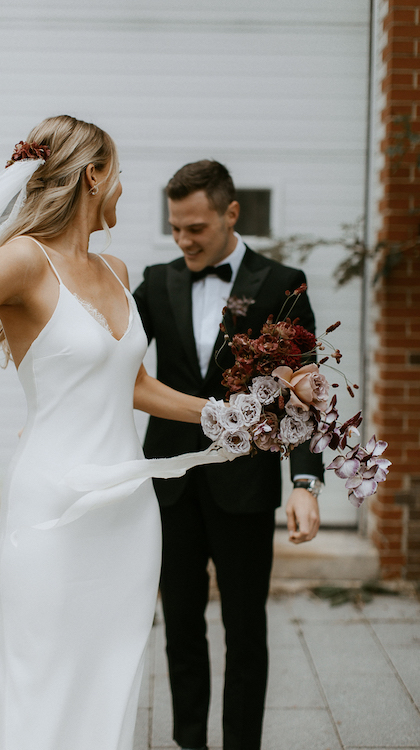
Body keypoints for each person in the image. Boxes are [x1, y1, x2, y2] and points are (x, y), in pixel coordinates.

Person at [0, 118, 232, 750]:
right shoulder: (21, 262)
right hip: (53, 509)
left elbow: (134, 385)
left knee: (110, 677)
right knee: (42, 679)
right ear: (93, 176)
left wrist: (222, 415)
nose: (122, 188)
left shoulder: (115, 268)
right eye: (117, 173)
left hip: (128, 513)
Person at [133, 159, 325, 750]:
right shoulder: (156, 280)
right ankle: (189, 742)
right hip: (170, 486)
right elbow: (108, 363)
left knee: (246, 632)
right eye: (175, 228)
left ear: (230, 213)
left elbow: (307, 390)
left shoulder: (280, 282)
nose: (183, 240)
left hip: (245, 486)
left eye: (197, 228)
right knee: (181, 631)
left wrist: (305, 484)